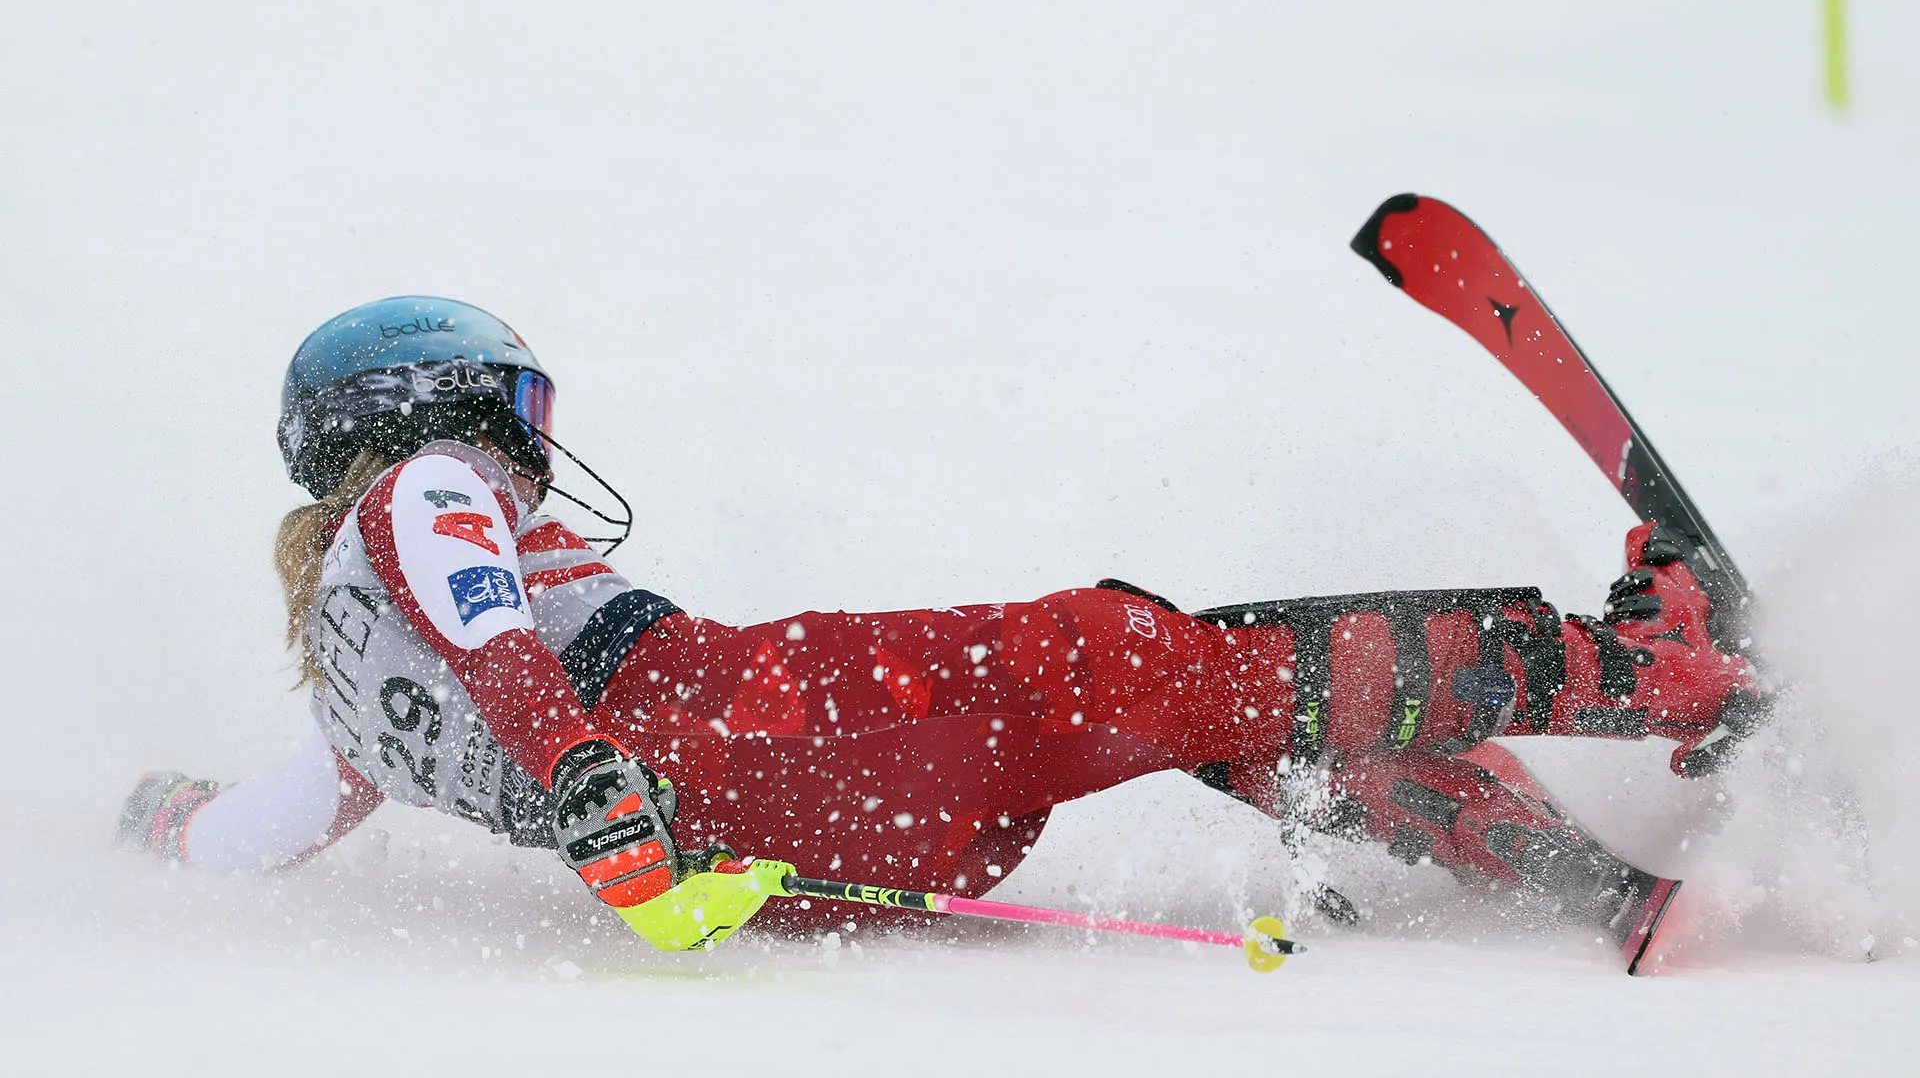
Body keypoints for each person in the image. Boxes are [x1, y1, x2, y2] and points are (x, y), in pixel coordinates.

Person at [118, 296, 1763, 968]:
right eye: (515, 410)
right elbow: (486, 610)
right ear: (427, 407)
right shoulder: (419, 489)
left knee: (1135, 698)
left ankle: (1494, 834)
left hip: (789, 867)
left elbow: (261, 833)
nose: (525, 451)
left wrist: (165, 820)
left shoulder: (342, 700)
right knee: (1121, 659)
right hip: (726, 720)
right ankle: (1659, 668)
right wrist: (583, 761)